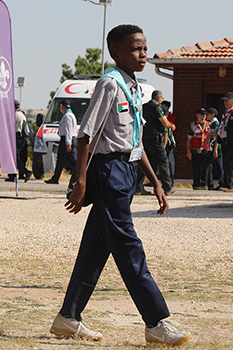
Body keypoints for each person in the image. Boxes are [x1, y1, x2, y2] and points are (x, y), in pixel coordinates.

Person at [51, 24, 191, 346]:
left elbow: (135, 142)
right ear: (116, 52)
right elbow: (85, 135)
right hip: (107, 171)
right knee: (129, 247)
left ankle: (68, 317)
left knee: (96, 249)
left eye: (144, 48)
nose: (142, 54)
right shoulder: (109, 84)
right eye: (135, 49)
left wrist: (156, 182)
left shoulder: (133, 86)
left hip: (127, 171)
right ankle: (156, 322)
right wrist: (81, 181)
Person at [137, 90, 174, 195]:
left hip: (144, 137)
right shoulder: (157, 108)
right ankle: (167, 187)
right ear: (159, 98)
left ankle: (138, 187)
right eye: (162, 98)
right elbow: (165, 123)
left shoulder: (144, 106)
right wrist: (172, 126)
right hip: (155, 138)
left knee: (144, 162)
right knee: (163, 161)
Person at [45, 99, 77, 190]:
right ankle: (55, 178)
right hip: (67, 139)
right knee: (60, 160)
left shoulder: (67, 116)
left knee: (73, 160)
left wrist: (68, 143)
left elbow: (68, 130)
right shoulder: (69, 115)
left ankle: (83, 175)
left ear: (62, 107)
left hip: (67, 139)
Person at [186, 108, 212, 190]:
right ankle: (196, 184)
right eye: (202, 114)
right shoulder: (193, 125)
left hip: (206, 150)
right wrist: (188, 151)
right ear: (197, 115)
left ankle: (208, 184)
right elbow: (189, 140)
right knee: (196, 168)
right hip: (196, 150)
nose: (204, 116)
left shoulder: (209, 124)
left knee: (208, 168)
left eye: (205, 114)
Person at [8, 100, 32, 182]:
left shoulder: (15, 115)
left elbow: (11, 125)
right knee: (16, 157)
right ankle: (14, 175)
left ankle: (25, 172)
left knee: (14, 157)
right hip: (22, 137)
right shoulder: (22, 114)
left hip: (17, 136)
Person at [204, 107, 223, 190]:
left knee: (206, 165)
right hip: (213, 147)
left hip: (215, 148)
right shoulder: (211, 123)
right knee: (218, 166)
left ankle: (205, 183)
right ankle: (219, 183)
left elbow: (216, 137)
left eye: (208, 114)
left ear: (213, 115)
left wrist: (215, 149)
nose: (206, 115)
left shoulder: (215, 123)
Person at [162, 100, 177, 179]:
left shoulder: (171, 116)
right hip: (162, 139)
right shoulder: (161, 116)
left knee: (169, 159)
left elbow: (171, 126)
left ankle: (171, 177)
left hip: (169, 141)